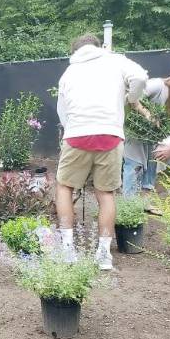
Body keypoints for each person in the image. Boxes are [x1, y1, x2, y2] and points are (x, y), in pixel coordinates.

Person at [55, 34, 147, 270]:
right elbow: (139, 77)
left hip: (76, 134)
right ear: (99, 47)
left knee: (65, 188)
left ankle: (67, 250)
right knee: (106, 194)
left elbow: (62, 112)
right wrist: (131, 98)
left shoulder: (69, 73)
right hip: (110, 134)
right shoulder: (116, 61)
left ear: (75, 51)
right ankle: (103, 254)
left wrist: (72, 129)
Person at [123, 72, 170, 195]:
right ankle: (129, 206)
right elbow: (133, 98)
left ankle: (145, 204)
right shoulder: (157, 85)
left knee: (152, 168)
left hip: (152, 137)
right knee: (134, 166)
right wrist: (148, 115)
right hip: (136, 133)